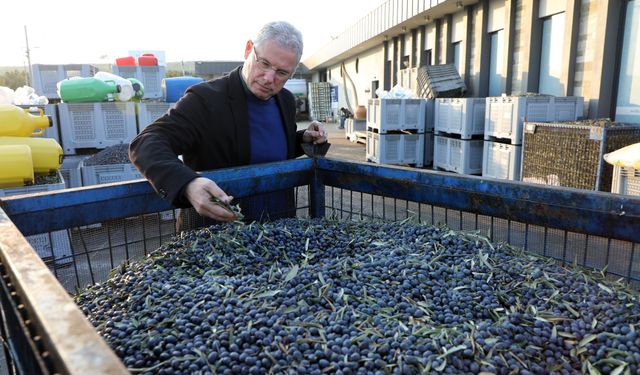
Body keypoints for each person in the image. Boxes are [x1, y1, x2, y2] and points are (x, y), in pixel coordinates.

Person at [129, 21, 327, 230]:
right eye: (264, 63)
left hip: (277, 228)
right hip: (217, 235)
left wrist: (302, 138)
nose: (269, 78)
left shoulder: (285, 100)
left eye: (282, 73)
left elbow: (268, 147)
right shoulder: (205, 99)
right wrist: (188, 183)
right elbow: (146, 142)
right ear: (248, 49)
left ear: (292, 72)